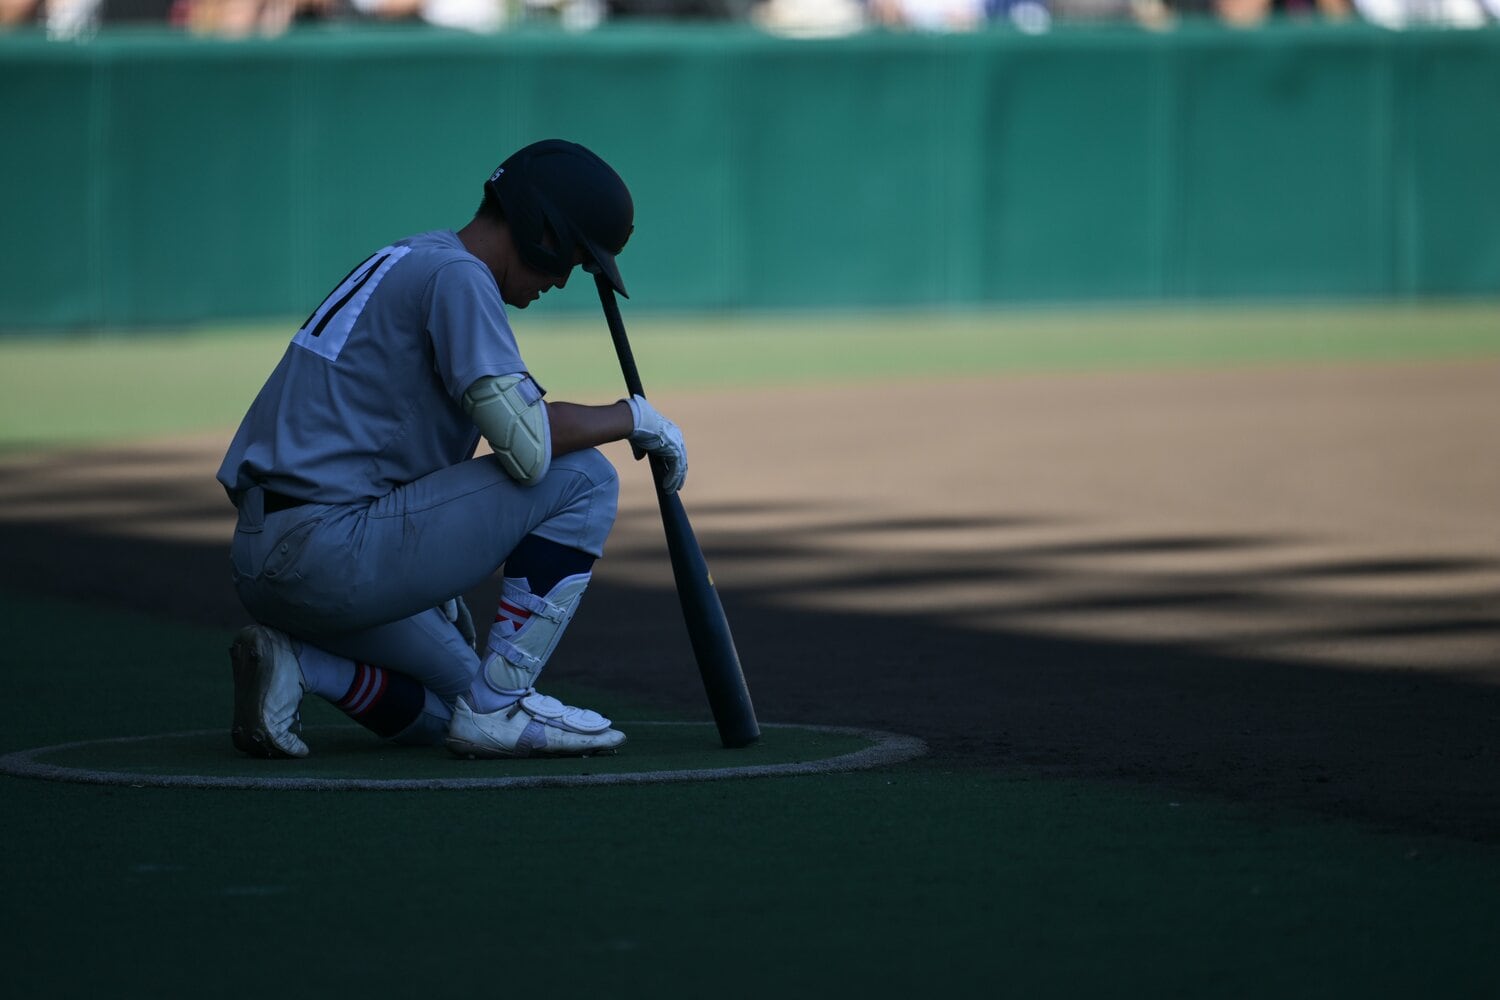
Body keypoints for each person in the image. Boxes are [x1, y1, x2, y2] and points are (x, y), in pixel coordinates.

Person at [217, 139, 687, 760]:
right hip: (326, 548)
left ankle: (299, 663)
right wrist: (633, 418)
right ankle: (504, 704)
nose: (561, 280)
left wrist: (423, 570)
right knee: (585, 478)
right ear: (543, 231)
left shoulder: (415, 255)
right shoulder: (458, 276)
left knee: (453, 707)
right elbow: (527, 446)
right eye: (571, 259)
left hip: (269, 555)